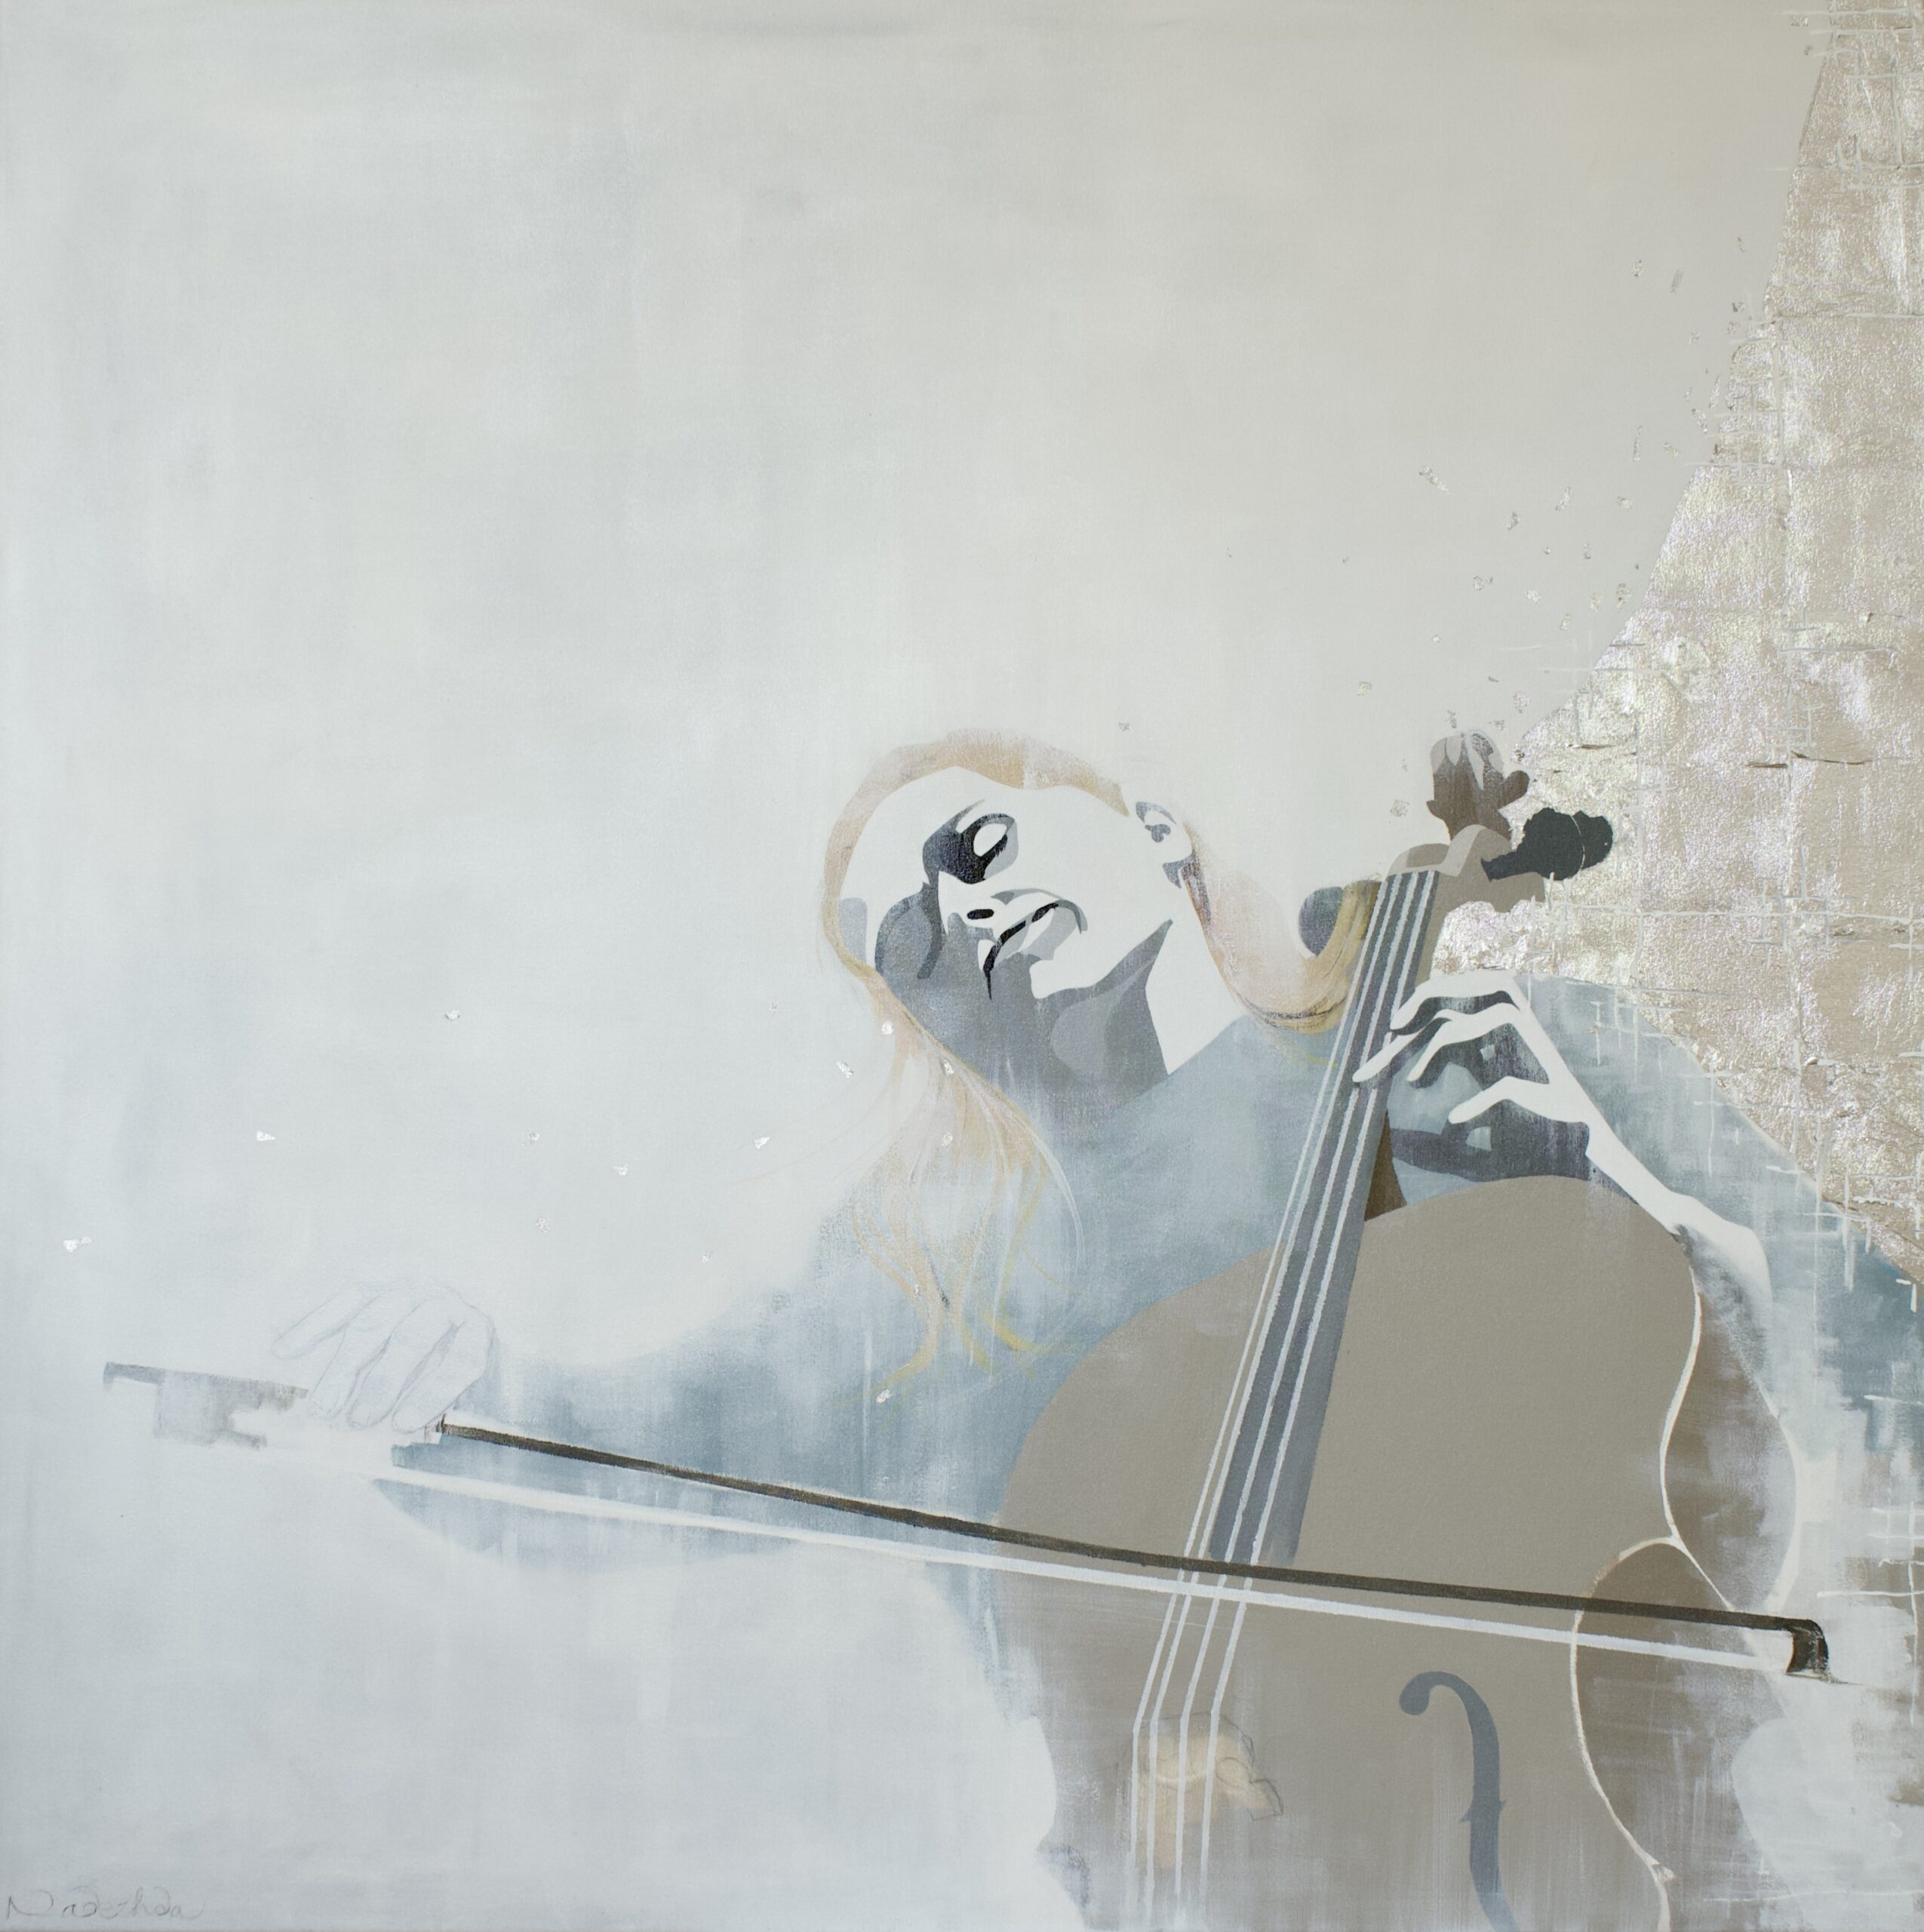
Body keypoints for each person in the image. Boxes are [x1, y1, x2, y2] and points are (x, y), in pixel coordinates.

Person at [275, 726, 1795, 1921]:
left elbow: (1752, 1461)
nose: (965, 912)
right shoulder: (933, 1285)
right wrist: (459, 1380)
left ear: (1150, 831)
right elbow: (641, 1451)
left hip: (1551, 1854)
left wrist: (1602, 1195)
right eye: (912, 942)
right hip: (1189, 1888)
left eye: (977, 846)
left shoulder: (1464, 1059)